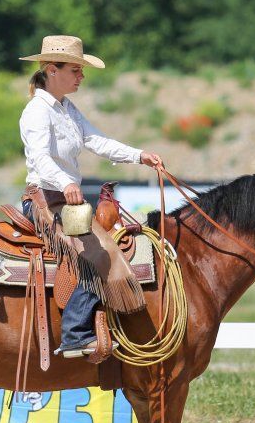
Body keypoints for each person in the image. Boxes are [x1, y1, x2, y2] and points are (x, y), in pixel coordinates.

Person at [19, 35, 163, 358]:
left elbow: (98, 142)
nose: (81, 77)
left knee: (103, 244)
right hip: (43, 201)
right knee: (93, 252)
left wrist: (140, 155)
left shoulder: (68, 110)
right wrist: (64, 181)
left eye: (81, 70)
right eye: (75, 70)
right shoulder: (36, 112)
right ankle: (74, 332)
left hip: (66, 201)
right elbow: (40, 158)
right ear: (51, 70)